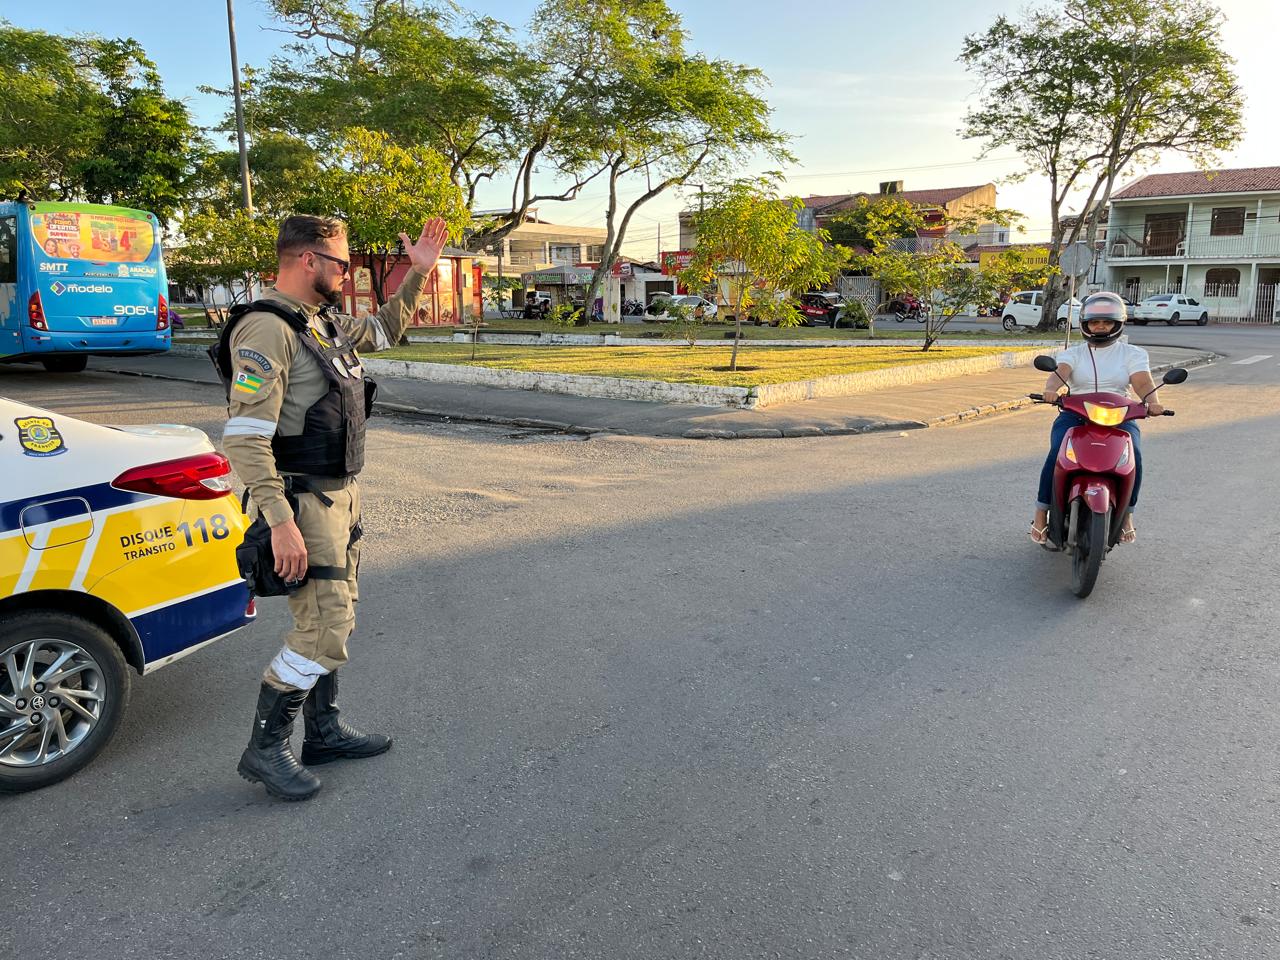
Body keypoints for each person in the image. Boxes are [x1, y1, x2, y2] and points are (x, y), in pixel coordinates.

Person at [216, 214, 449, 801]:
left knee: (337, 611)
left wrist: (416, 274)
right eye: (341, 264)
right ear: (307, 260)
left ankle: (323, 731)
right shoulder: (268, 329)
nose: (347, 275)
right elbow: (244, 437)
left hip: (339, 493)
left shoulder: (319, 323)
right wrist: (280, 521)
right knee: (322, 627)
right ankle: (265, 749)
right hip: (302, 499)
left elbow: (386, 331)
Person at [1029, 291, 1164, 549]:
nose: (1100, 327)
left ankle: (1126, 514)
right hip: (1076, 412)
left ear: (1117, 324)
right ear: (1085, 324)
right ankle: (1041, 514)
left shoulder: (1132, 353)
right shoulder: (1075, 353)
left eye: (1106, 322)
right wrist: (1052, 389)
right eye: (1095, 322)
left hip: (1120, 414)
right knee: (1057, 452)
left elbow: (1142, 381)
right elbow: (1060, 373)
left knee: (1133, 454)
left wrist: (1153, 403)